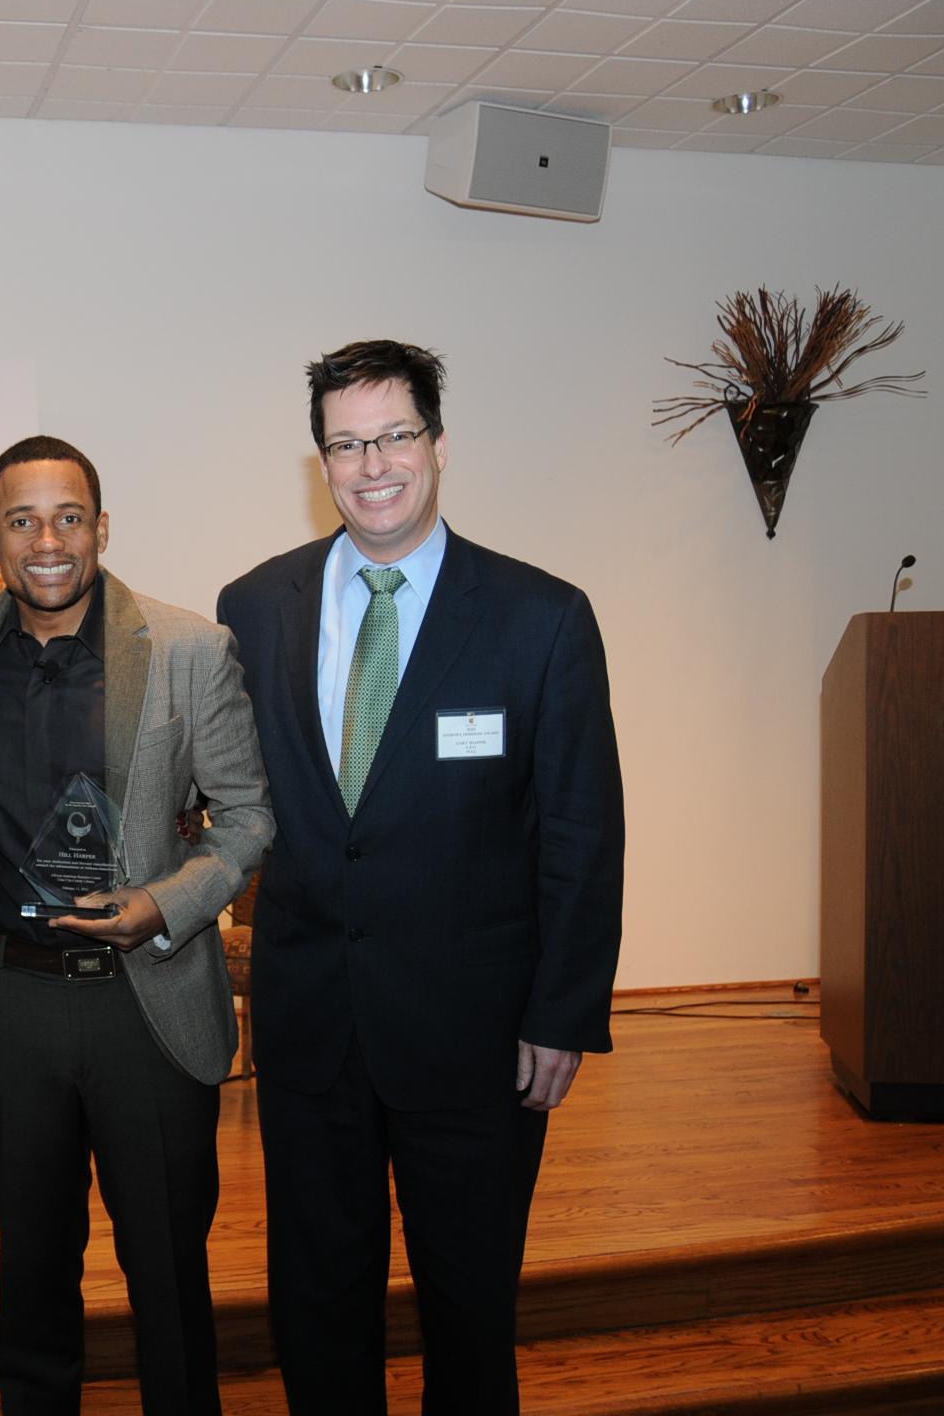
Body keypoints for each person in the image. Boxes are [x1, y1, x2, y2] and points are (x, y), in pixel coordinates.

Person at [216, 340, 625, 1415]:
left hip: (477, 1033)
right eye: (345, 443)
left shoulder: (540, 616)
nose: (372, 464)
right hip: (310, 1026)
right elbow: (230, 796)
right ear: (321, 462)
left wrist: (562, 1011)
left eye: (394, 434)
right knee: (315, 1295)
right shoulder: (252, 608)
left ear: (438, 444)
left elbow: (581, 829)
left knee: (468, 1300)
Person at [0, 435, 273, 1416]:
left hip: (144, 1004)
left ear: (100, 526)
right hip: (10, 1005)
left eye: (67, 516)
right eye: (21, 519)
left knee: (164, 1271)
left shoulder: (189, 647)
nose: (47, 540)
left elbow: (245, 822)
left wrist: (164, 902)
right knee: (32, 1269)